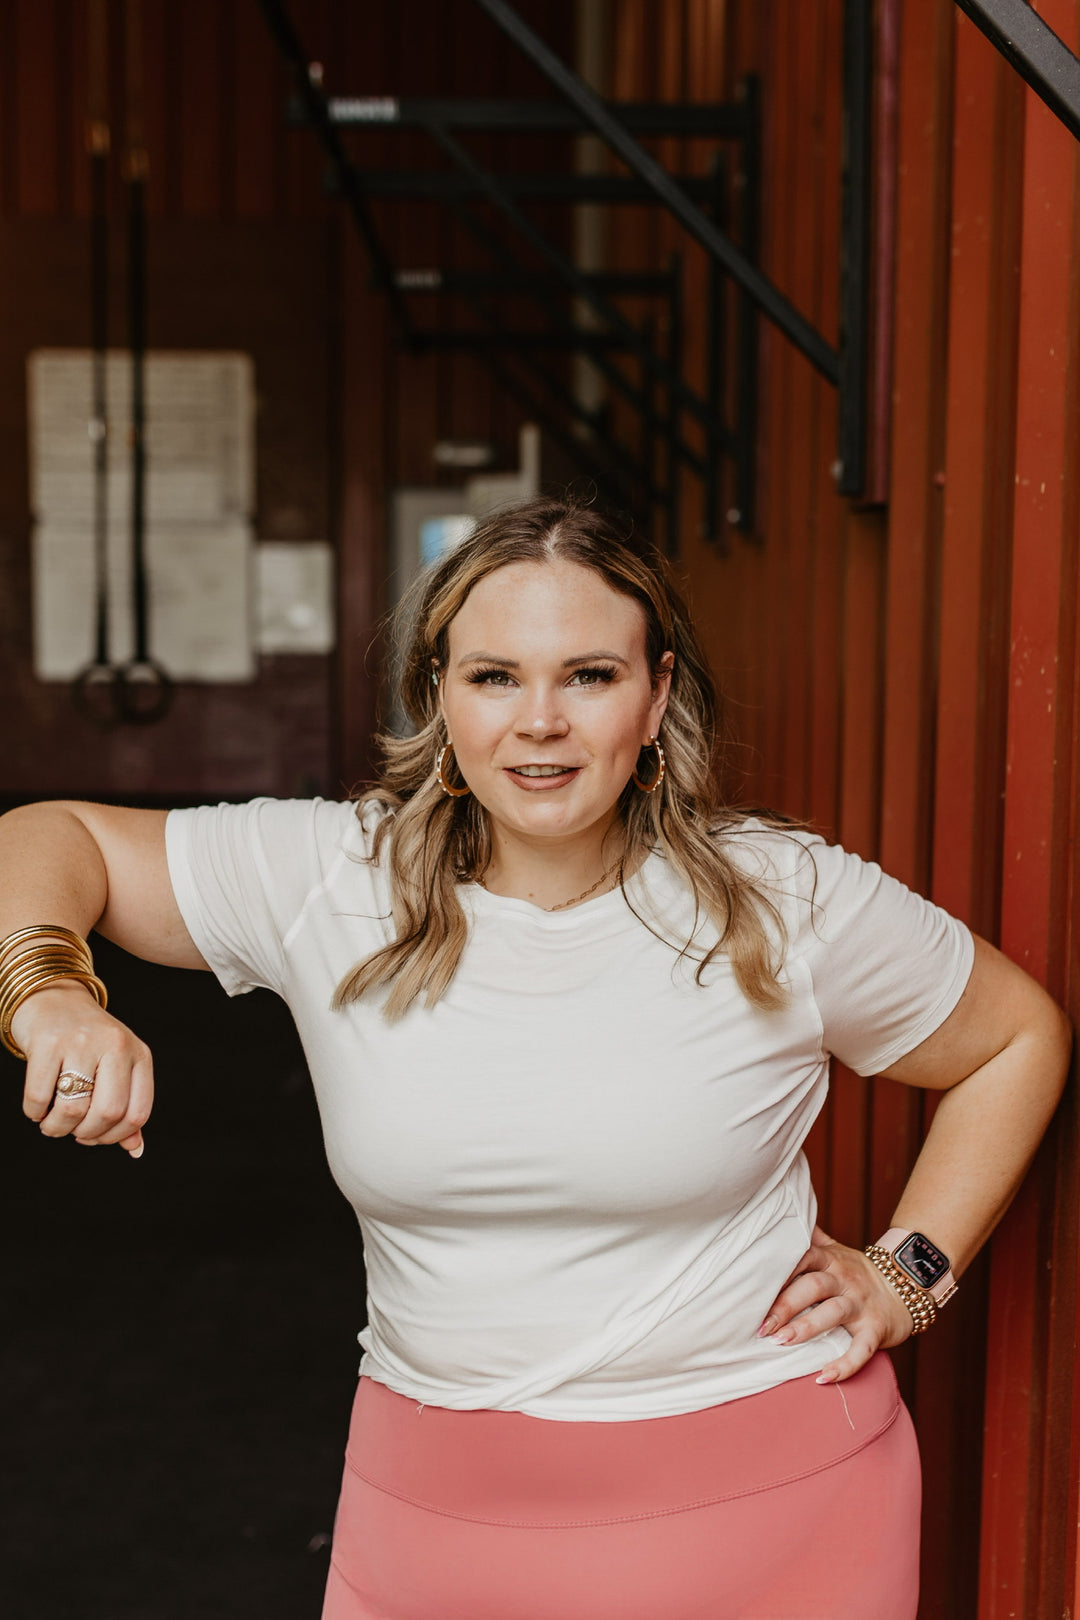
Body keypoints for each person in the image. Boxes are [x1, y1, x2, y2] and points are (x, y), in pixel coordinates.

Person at [0, 497, 1069, 1620]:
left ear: (657, 695)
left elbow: (1014, 1037)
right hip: (429, 1521)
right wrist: (52, 994)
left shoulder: (786, 901)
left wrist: (911, 1274)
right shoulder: (332, 875)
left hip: (775, 1512)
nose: (540, 721)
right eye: (495, 677)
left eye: (590, 676)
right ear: (438, 694)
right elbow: (44, 838)